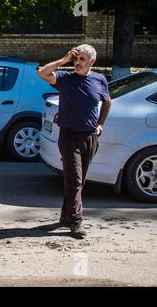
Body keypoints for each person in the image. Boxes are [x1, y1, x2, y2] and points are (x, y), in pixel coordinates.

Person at [37, 44, 112, 239]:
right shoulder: (65, 79)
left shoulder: (99, 80)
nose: (77, 63)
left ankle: (66, 216)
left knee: (78, 182)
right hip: (68, 136)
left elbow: (107, 101)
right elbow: (42, 73)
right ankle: (76, 221)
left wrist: (100, 123)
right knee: (76, 180)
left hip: (89, 137)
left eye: (82, 60)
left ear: (92, 62)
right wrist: (64, 60)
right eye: (76, 60)